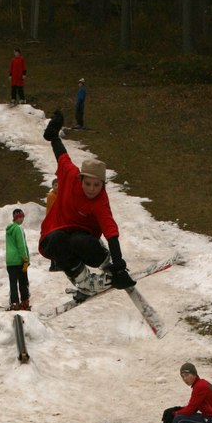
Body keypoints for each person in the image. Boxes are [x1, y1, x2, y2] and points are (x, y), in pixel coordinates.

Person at [39, 109, 134, 295]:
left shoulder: (100, 201)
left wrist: (119, 265)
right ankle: (83, 281)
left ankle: (106, 263)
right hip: (56, 234)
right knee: (55, 241)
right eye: (88, 184)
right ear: (80, 179)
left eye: (97, 185)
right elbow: (62, 157)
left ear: (103, 185)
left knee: (78, 240)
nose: (92, 189)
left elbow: (110, 231)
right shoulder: (70, 175)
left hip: (85, 241)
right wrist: (54, 136)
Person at [6, 207, 31, 310]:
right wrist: (25, 259)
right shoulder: (18, 229)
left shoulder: (9, 230)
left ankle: (15, 303)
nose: (22, 219)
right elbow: (21, 245)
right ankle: (25, 303)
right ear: (17, 217)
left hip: (10, 261)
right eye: (21, 217)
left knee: (13, 283)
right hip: (19, 260)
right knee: (23, 282)